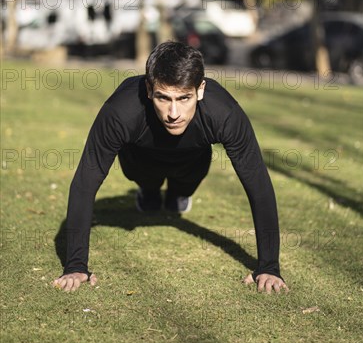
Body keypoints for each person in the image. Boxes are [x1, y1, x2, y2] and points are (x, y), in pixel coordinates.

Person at [53, 41, 288, 294]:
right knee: (149, 189)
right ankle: (149, 192)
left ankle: (176, 194)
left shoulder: (225, 114)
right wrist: (76, 265)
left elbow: (258, 184)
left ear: (200, 90)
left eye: (184, 98)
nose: (173, 113)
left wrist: (269, 267)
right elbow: (85, 182)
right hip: (140, 159)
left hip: (191, 161)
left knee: (180, 193)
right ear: (148, 89)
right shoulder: (120, 112)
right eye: (164, 98)